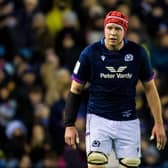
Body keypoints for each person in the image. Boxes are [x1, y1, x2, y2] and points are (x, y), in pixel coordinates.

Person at [64, 10, 167, 168]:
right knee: (96, 161)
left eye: (118, 29)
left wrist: (158, 123)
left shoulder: (138, 53)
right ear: (104, 29)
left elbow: (150, 89)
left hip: (128, 120)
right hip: (99, 118)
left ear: (124, 31)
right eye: (110, 28)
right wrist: (69, 124)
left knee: (131, 164)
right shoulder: (90, 53)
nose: (113, 33)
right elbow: (75, 90)